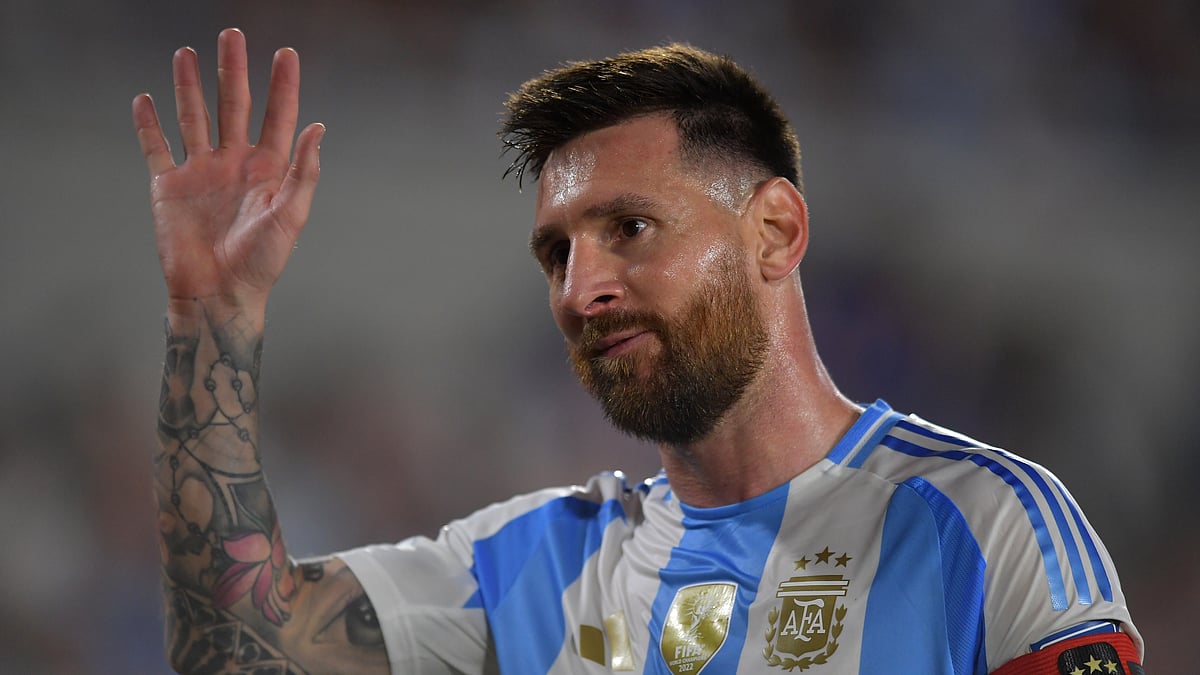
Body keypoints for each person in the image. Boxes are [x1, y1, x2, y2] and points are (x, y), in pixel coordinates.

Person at [133, 28, 1144, 675]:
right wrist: (213, 312)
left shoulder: (982, 523)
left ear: (776, 232)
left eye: (630, 228)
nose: (582, 291)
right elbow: (238, 642)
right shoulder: (536, 565)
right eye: (557, 254)